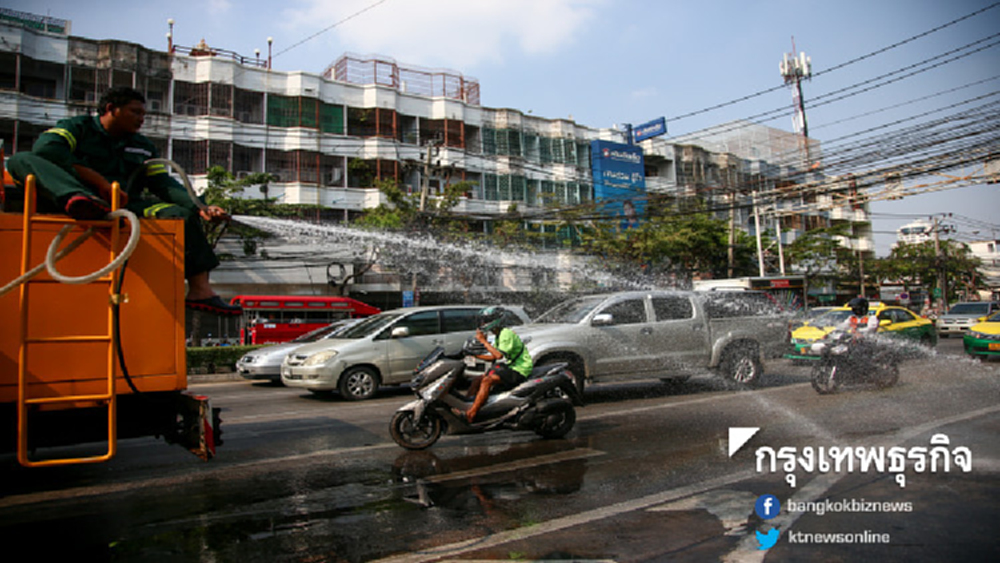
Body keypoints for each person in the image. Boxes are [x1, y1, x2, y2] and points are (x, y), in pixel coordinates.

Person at [6, 86, 240, 315]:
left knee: (182, 214)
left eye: (143, 114)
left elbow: (163, 183)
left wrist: (200, 207)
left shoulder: (143, 146)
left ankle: (200, 290)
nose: (141, 119)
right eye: (135, 112)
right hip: (68, 200)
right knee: (21, 159)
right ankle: (81, 200)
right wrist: (98, 182)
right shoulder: (77, 128)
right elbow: (46, 150)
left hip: (124, 207)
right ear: (111, 109)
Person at [464, 306, 533, 422]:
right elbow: (493, 357)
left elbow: (498, 356)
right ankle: (467, 406)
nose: (483, 323)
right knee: (477, 379)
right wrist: (474, 355)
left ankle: (471, 414)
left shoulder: (506, 334)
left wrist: (484, 342)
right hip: (511, 367)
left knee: (487, 380)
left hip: (520, 369)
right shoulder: (498, 335)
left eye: (485, 320)